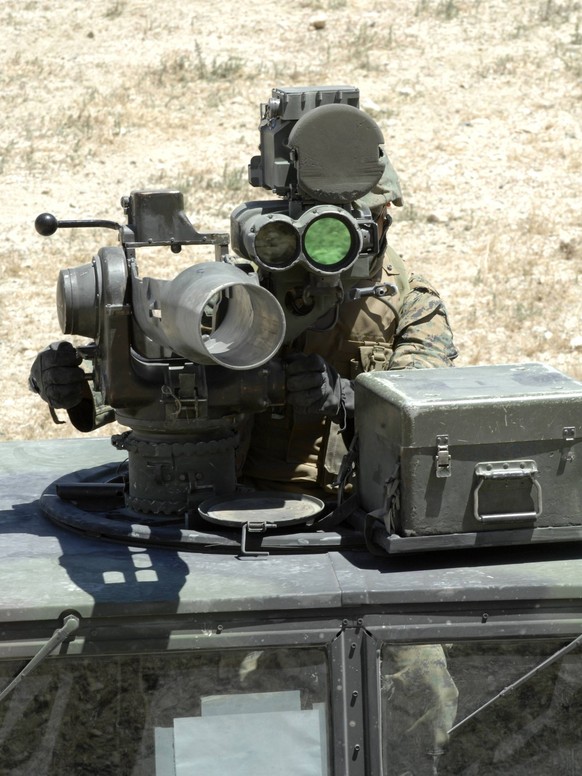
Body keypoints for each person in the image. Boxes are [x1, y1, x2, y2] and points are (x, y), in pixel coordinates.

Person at [29, 149, 458, 775]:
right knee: (151, 677)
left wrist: (349, 400)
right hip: (223, 515)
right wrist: (80, 390)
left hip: (351, 519)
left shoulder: (409, 301)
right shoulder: (232, 288)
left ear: (385, 219)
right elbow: (160, 378)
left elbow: (428, 399)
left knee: (417, 683)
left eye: (362, 219)